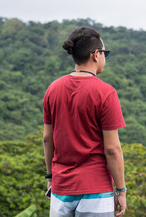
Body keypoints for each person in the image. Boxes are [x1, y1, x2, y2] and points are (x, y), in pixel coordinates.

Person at [43, 27, 127, 217]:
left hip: (61, 188)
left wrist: (50, 176)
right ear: (96, 55)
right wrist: (121, 190)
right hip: (96, 189)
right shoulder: (106, 93)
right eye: (105, 53)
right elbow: (112, 149)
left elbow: (48, 139)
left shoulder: (53, 89)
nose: (105, 57)